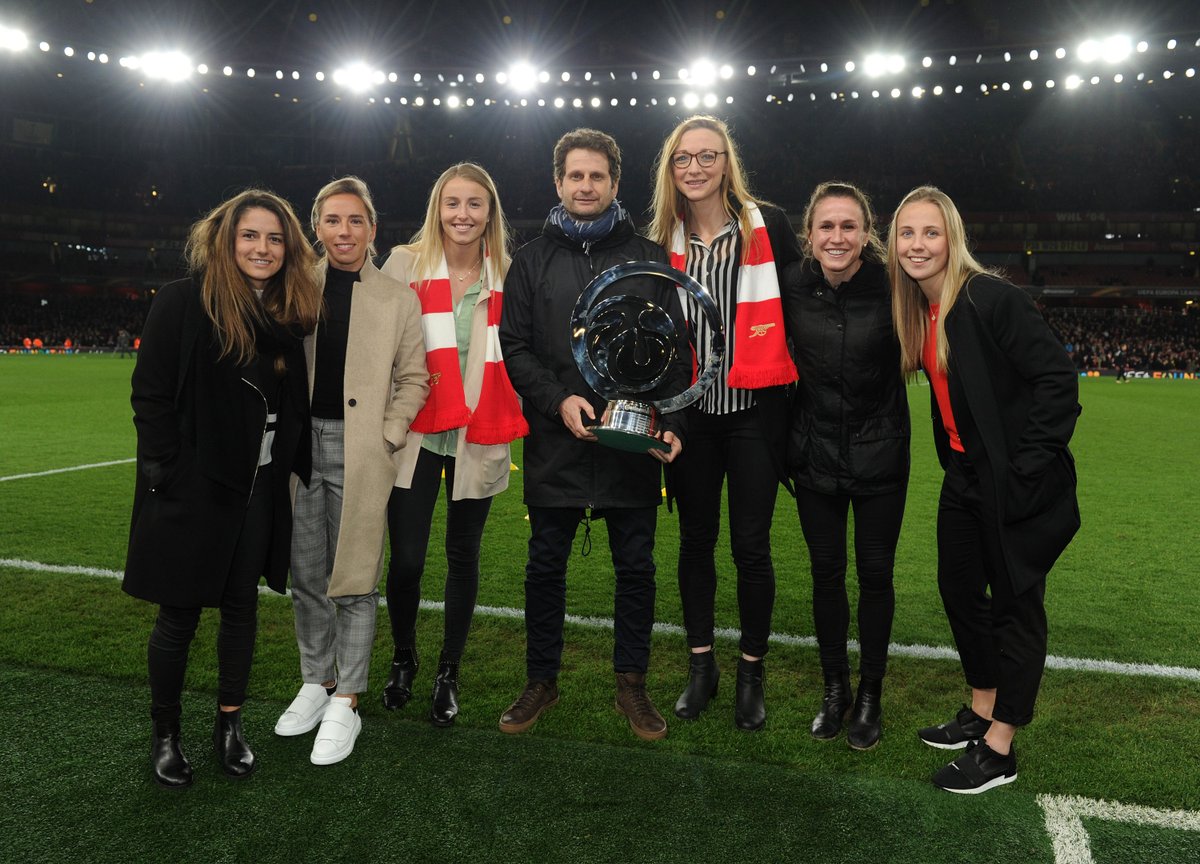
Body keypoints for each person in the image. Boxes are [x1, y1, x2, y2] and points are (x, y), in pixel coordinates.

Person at [497, 128, 690, 741]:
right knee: (544, 567)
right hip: (557, 439)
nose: (585, 186)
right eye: (574, 176)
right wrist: (559, 402)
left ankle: (632, 685)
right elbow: (516, 347)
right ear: (558, 182)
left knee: (636, 568)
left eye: (597, 176)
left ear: (614, 183)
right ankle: (541, 680)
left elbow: (677, 349)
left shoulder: (651, 257)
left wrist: (671, 420)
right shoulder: (530, 261)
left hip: (628, 443)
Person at [124, 189, 321, 788]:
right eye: (250, 236)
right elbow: (150, 394)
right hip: (194, 487)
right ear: (225, 240)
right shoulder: (184, 301)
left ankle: (229, 725)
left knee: (241, 609)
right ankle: (166, 733)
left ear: (288, 248)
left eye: (274, 238)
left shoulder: (287, 312)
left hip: (256, 489)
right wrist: (167, 472)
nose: (262, 248)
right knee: (178, 616)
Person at [888, 185, 1080, 793]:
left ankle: (1000, 747)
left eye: (930, 232)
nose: (918, 245)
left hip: (1014, 482)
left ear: (952, 238)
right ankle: (981, 705)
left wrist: (1023, 468)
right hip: (966, 477)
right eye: (907, 234)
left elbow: (1057, 380)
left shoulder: (989, 297)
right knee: (959, 589)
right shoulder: (919, 308)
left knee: (1016, 607)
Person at [646, 115, 802, 731]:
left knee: (752, 549)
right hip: (692, 420)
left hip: (754, 417)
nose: (695, 167)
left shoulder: (769, 226)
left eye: (708, 156)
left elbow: (803, 304)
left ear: (726, 162)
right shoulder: (660, 237)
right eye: (684, 157)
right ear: (671, 167)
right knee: (695, 544)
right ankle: (701, 666)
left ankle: (750, 674)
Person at [274, 176, 428, 765]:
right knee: (305, 570)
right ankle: (316, 680)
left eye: (356, 221)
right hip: (299, 449)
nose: (345, 232)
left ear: (372, 228)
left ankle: (350, 696)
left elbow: (414, 378)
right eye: (333, 220)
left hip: (362, 447)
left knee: (357, 573)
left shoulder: (396, 297)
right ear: (317, 226)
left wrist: (388, 435)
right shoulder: (294, 287)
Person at [378, 163, 527, 726]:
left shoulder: (512, 275)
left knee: (463, 557)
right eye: (452, 203)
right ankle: (403, 656)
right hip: (414, 435)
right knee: (408, 562)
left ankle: (448, 671)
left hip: (478, 437)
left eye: (474, 204)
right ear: (437, 208)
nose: (462, 215)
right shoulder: (403, 265)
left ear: (490, 213)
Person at [782, 182, 909, 750]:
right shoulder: (789, 287)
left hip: (881, 457)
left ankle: (870, 694)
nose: (837, 237)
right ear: (809, 234)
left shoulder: (895, 287)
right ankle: (834, 688)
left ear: (866, 233)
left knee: (876, 577)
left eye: (848, 226)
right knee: (826, 576)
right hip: (814, 459)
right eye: (826, 227)